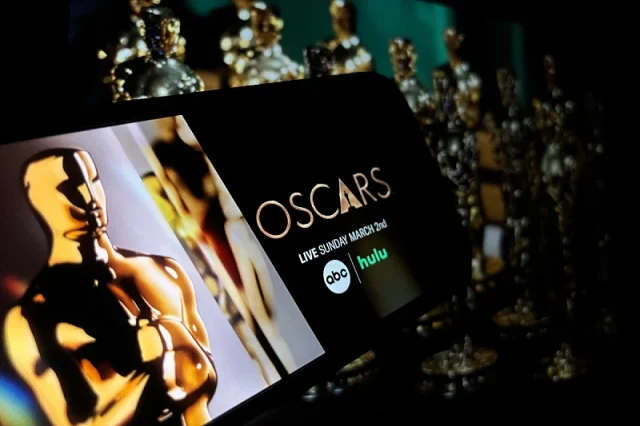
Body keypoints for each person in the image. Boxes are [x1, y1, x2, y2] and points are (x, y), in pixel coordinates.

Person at [3, 148, 217, 425]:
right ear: (39, 200)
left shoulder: (166, 272)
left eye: (92, 180)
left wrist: (173, 349)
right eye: (68, 187)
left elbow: (202, 378)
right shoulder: (30, 319)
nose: (89, 197)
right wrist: (155, 372)